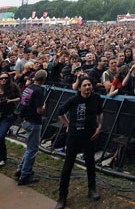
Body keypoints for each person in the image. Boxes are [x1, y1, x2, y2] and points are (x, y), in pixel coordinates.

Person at [54, 76, 104, 209]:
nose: (87, 87)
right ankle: (62, 196)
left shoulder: (96, 98)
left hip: (90, 136)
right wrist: (68, 124)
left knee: (90, 162)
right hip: (74, 136)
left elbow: (100, 113)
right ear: (80, 87)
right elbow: (60, 112)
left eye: (89, 85)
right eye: (85, 85)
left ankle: (91, 189)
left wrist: (99, 126)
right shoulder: (74, 100)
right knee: (68, 165)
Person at [16, 69, 47, 186]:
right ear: (44, 79)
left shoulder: (28, 88)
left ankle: (20, 169)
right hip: (34, 122)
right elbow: (39, 110)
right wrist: (43, 106)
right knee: (32, 150)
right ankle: (25, 175)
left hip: (26, 120)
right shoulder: (39, 91)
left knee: (29, 148)